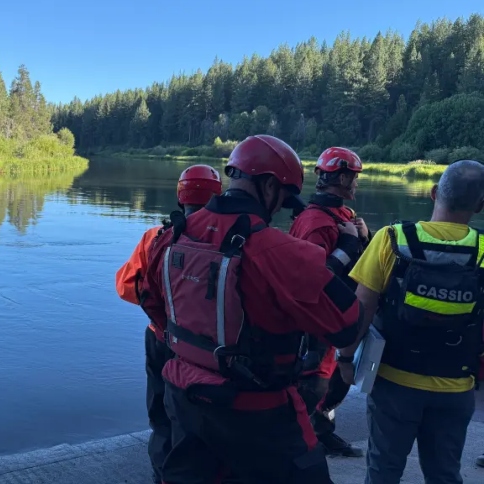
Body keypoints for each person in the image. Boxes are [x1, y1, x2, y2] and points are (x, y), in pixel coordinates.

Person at [140, 134, 363, 484]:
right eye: (284, 199)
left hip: (185, 399)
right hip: (258, 412)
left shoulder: (169, 238)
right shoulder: (277, 250)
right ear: (270, 186)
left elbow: (150, 301)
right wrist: (351, 253)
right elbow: (347, 324)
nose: (280, 210)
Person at [339, 159, 484, 484]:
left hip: (394, 384)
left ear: (434, 193)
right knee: (444, 474)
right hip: (456, 387)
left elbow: (360, 311)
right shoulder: (483, 250)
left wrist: (345, 360)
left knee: (383, 472)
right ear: (480, 205)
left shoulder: (392, 239)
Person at [114, 164, 222, 484]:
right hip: (207, 351)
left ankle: (163, 476)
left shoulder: (155, 238)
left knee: (162, 420)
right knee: (201, 423)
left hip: (161, 340)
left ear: (180, 195)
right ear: (216, 196)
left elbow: (125, 286)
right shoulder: (227, 241)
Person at [289, 147, 368, 458]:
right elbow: (309, 279)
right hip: (317, 322)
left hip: (341, 314)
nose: (358, 184)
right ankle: (297, 444)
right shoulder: (316, 223)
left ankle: (321, 432)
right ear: (343, 178)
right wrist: (348, 245)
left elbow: (359, 265)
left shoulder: (341, 216)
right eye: (355, 178)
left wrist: (364, 238)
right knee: (315, 383)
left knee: (338, 379)